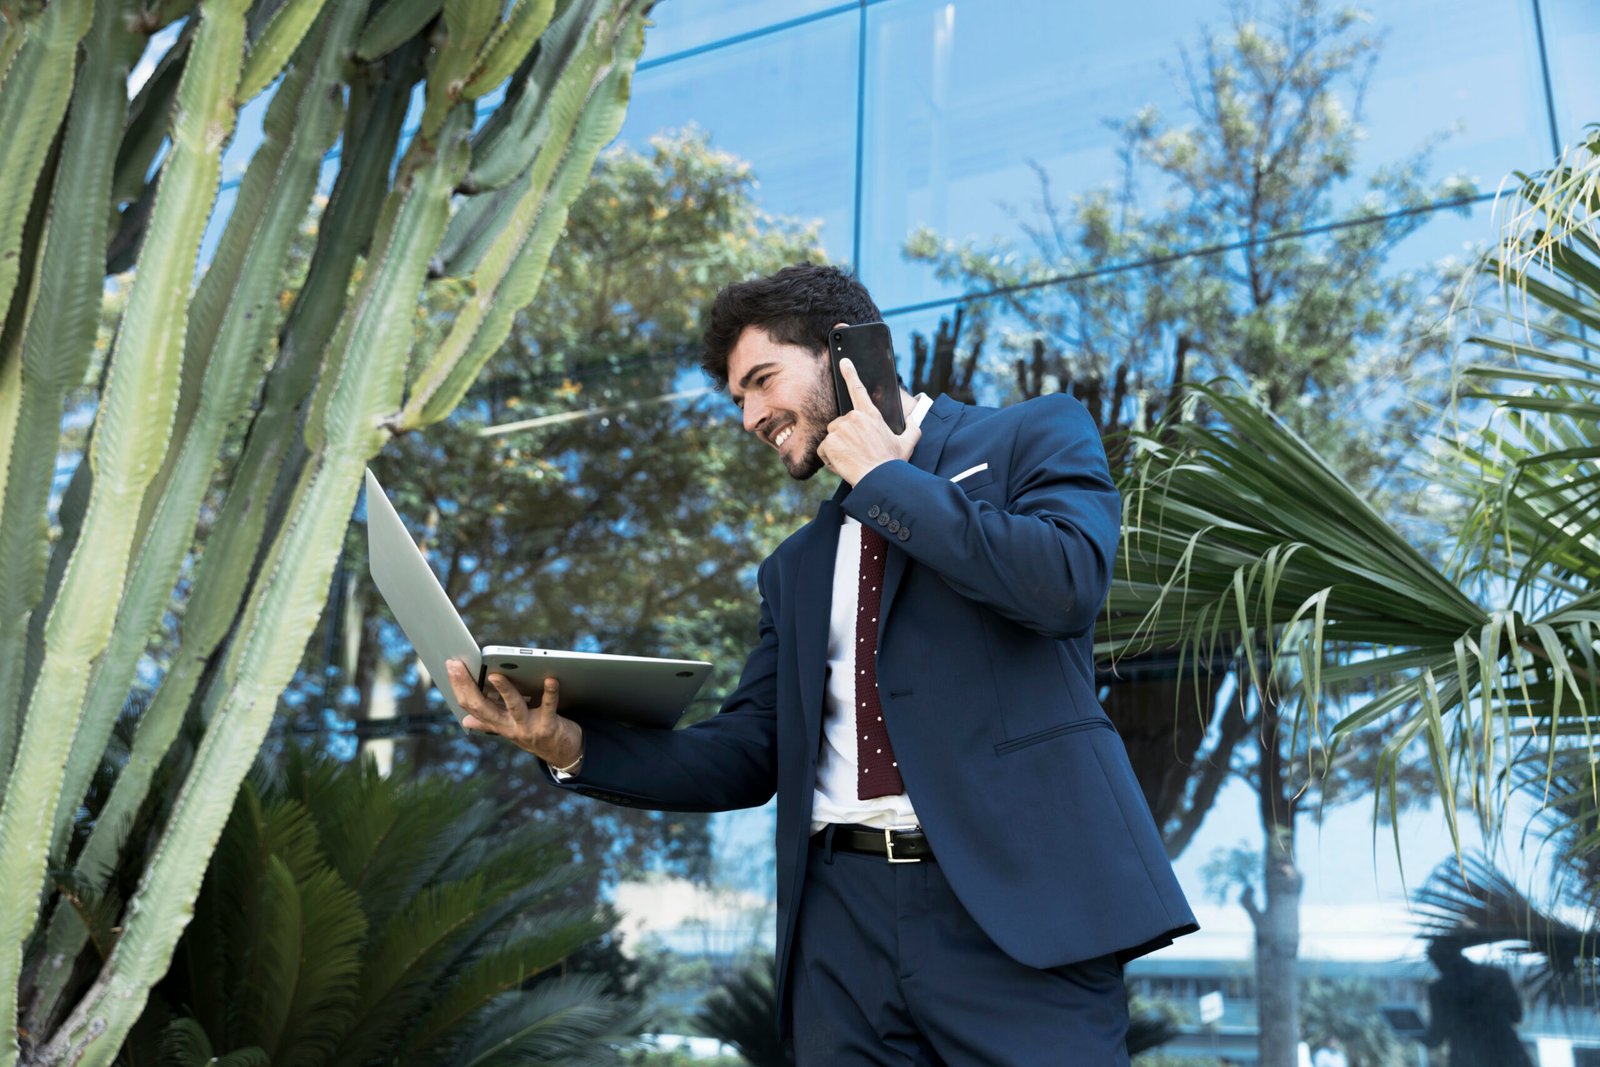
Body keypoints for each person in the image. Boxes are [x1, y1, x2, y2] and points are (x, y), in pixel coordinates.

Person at [447, 263, 1197, 1064]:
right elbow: (747, 753)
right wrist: (569, 745)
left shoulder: (1030, 436)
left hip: (1017, 918)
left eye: (762, 381)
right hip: (842, 933)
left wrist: (887, 481)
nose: (750, 417)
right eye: (738, 398)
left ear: (844, 350)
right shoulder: (795, 569)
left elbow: (1063, 585)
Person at [1418, 939, 1534, 1067]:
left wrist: (1413, 1032)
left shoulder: (1440, 989)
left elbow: (1436, 1038)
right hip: (1509, 1056)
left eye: (1434, 962)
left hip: (1468, 1060)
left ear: (1437, 959)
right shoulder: (1497, 975)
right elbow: (1516, 1016)